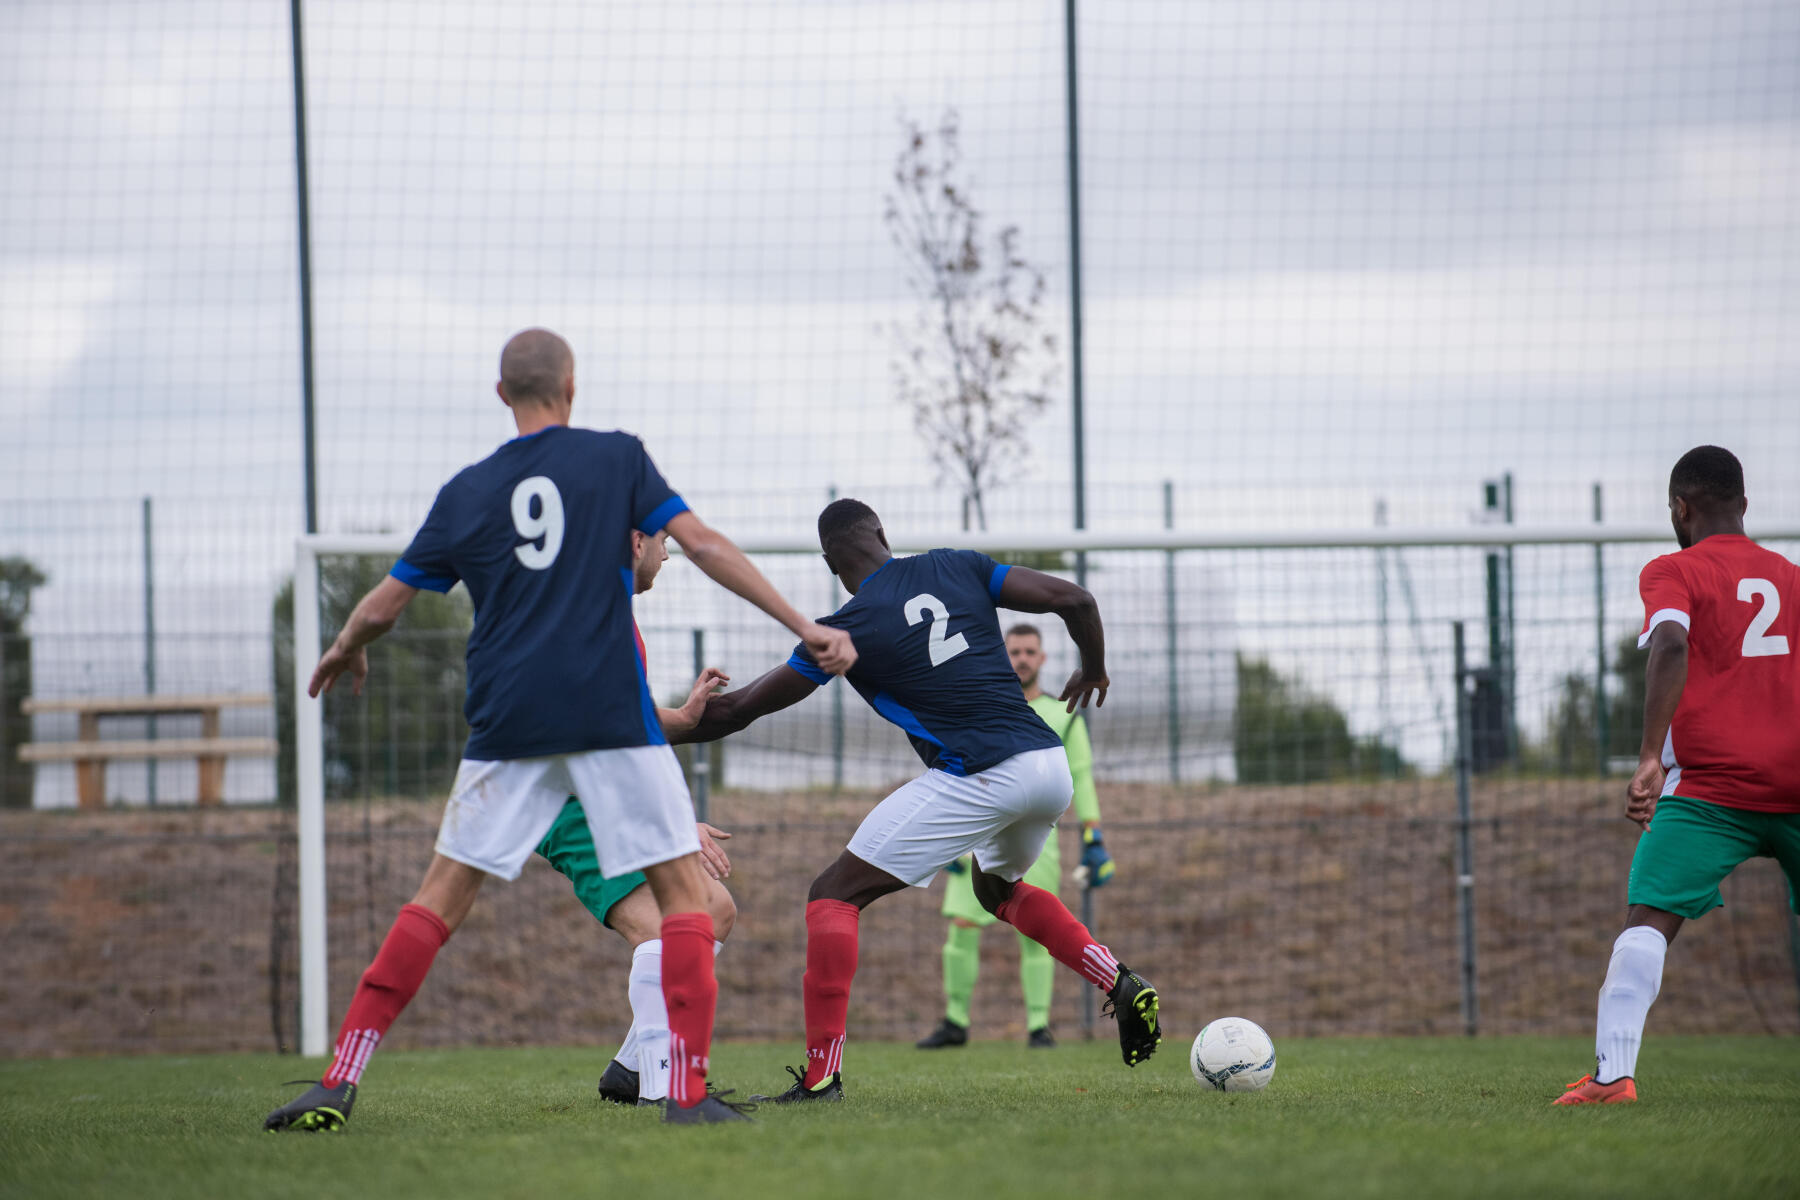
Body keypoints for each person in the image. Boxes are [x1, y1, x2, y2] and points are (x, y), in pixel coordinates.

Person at [264, 328, 854, 1130]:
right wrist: (802, 623)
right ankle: (684, 1094)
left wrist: (344, 648)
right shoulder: (616, 459)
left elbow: (385, 602)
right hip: (609, 715)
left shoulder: (467, 491)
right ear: (571, 387)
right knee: (690, 902)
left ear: (501, 394)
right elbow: (704, 544)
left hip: (511, 719)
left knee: (438, 899)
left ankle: (337, 1080)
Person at [674, 498, 1161, 1103]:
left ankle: (823, 1077)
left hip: (981, 773)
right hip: (1047, 764)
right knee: (995, 891)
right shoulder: (959, 565)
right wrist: (1094, 667)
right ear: (882, 531)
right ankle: (1117, 980)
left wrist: (667, 720)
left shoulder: (846, 627)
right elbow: (1076, 600)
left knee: (833, 893)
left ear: (831, 563)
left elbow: (741, 710)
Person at [1555, 446, 1800, 1106]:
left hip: (1713, 789)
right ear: (1744, 506)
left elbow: (1668, 643)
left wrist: (1647, 758)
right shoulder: (1793, 577)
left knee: (1646, 924)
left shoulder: (1674, 570)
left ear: (1680, 508)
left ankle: (1613, 1079)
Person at [532, 525, 735, 1108]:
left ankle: (631, 1070)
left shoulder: (610, 612)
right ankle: (668, 1089)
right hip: (575, 802)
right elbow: (597, 734)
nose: (671, 554)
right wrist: (673, 817)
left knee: (715, 911)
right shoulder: (592, 616)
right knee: (664, 931)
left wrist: (685, 716)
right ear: (634, 540)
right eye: (664, 541)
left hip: (600, 792)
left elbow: (625, 715)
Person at [916, 622, 1113, 1050]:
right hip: (975, 836)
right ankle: (955, 1022)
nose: (1022, 658)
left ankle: (1039, 1027)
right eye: (1015, 651)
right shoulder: (982, 706)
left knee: (1036, 932)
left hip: (1037, 843)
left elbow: (1082, 776)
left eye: (1030, 651)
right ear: (1004, 657)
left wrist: (1093, 837)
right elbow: (949, 766)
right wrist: (944, 833)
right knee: (963, 927)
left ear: (1041, 659)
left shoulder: (1064, 713)